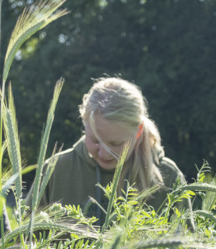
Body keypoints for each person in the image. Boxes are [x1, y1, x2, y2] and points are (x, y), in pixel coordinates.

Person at [37, 77, 182, 222]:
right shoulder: (56, 169)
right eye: (95, 140)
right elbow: (24, 239)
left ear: (138, 132)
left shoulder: (168, 177)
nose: (104, 153)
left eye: (115, 143)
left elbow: (186, 241)